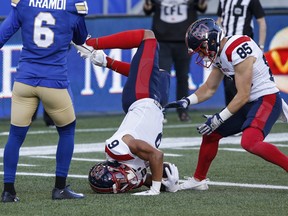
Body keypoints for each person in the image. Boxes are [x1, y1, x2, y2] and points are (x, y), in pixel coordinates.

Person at [165, 18, 288, 190]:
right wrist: (186, 101)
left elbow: (243, 94)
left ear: (212, 40)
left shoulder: (238, 47)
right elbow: (209, 88)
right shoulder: (220, 53)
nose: (201, 55)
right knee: (211, 134)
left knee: (250, 142)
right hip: (249, 102)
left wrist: (218, 118)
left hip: (266, 99)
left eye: (201, 49)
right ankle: (199, 179)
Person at [0, 0, 89, 202]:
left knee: (15, 135)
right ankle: (59, 189)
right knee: (67, 130)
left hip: (24, 79)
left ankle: (8, 192)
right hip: (54, 81)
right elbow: (81, 37)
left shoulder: (24, 3)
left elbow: (2, 35)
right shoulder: (73, 5)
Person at [73, 29, 179, 195]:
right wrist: (168, 184)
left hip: (141, 98)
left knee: (148, 36)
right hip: (155, 102)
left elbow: (157, 155)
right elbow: (146, 175)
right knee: (160, 74)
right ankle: (106, 61)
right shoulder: (133, 177)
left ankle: (90, 44)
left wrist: (155, 189)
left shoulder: (119, 149)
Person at [143, 0, 207, 122]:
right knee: (162, 76)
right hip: (163, 40)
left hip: (183, 40)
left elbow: (202, 7)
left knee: (183, 77)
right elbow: (147, 9)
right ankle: (160, 110)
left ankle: (182, 111)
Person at [216, 0, 267, 106]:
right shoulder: (223, 1)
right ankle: (230, 116)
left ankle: (249, 112)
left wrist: (261, 46)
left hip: (242, 48)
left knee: (246, 85)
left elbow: (261, 21)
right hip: (225, 47)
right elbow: (219, 21)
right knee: (229, 85)